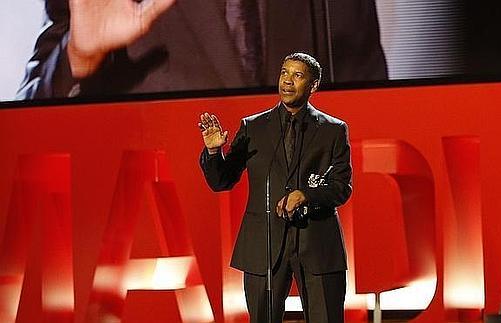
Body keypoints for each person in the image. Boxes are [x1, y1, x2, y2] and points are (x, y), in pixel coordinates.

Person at [199, 52, 351, 323]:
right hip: (263, 246)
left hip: (317, 244)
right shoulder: (253, 127)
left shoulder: (333, 130)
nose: (287, 81)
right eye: (284, 72)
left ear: (313, 85)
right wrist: (213, 153)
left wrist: (306, 195)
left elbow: (341, 187)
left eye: (297, 75)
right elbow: (222, 180)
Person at [16, 0, 387, 99]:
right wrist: (79, 58)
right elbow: (27, 122)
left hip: (299, 264)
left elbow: (376, 121)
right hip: (161, 262)